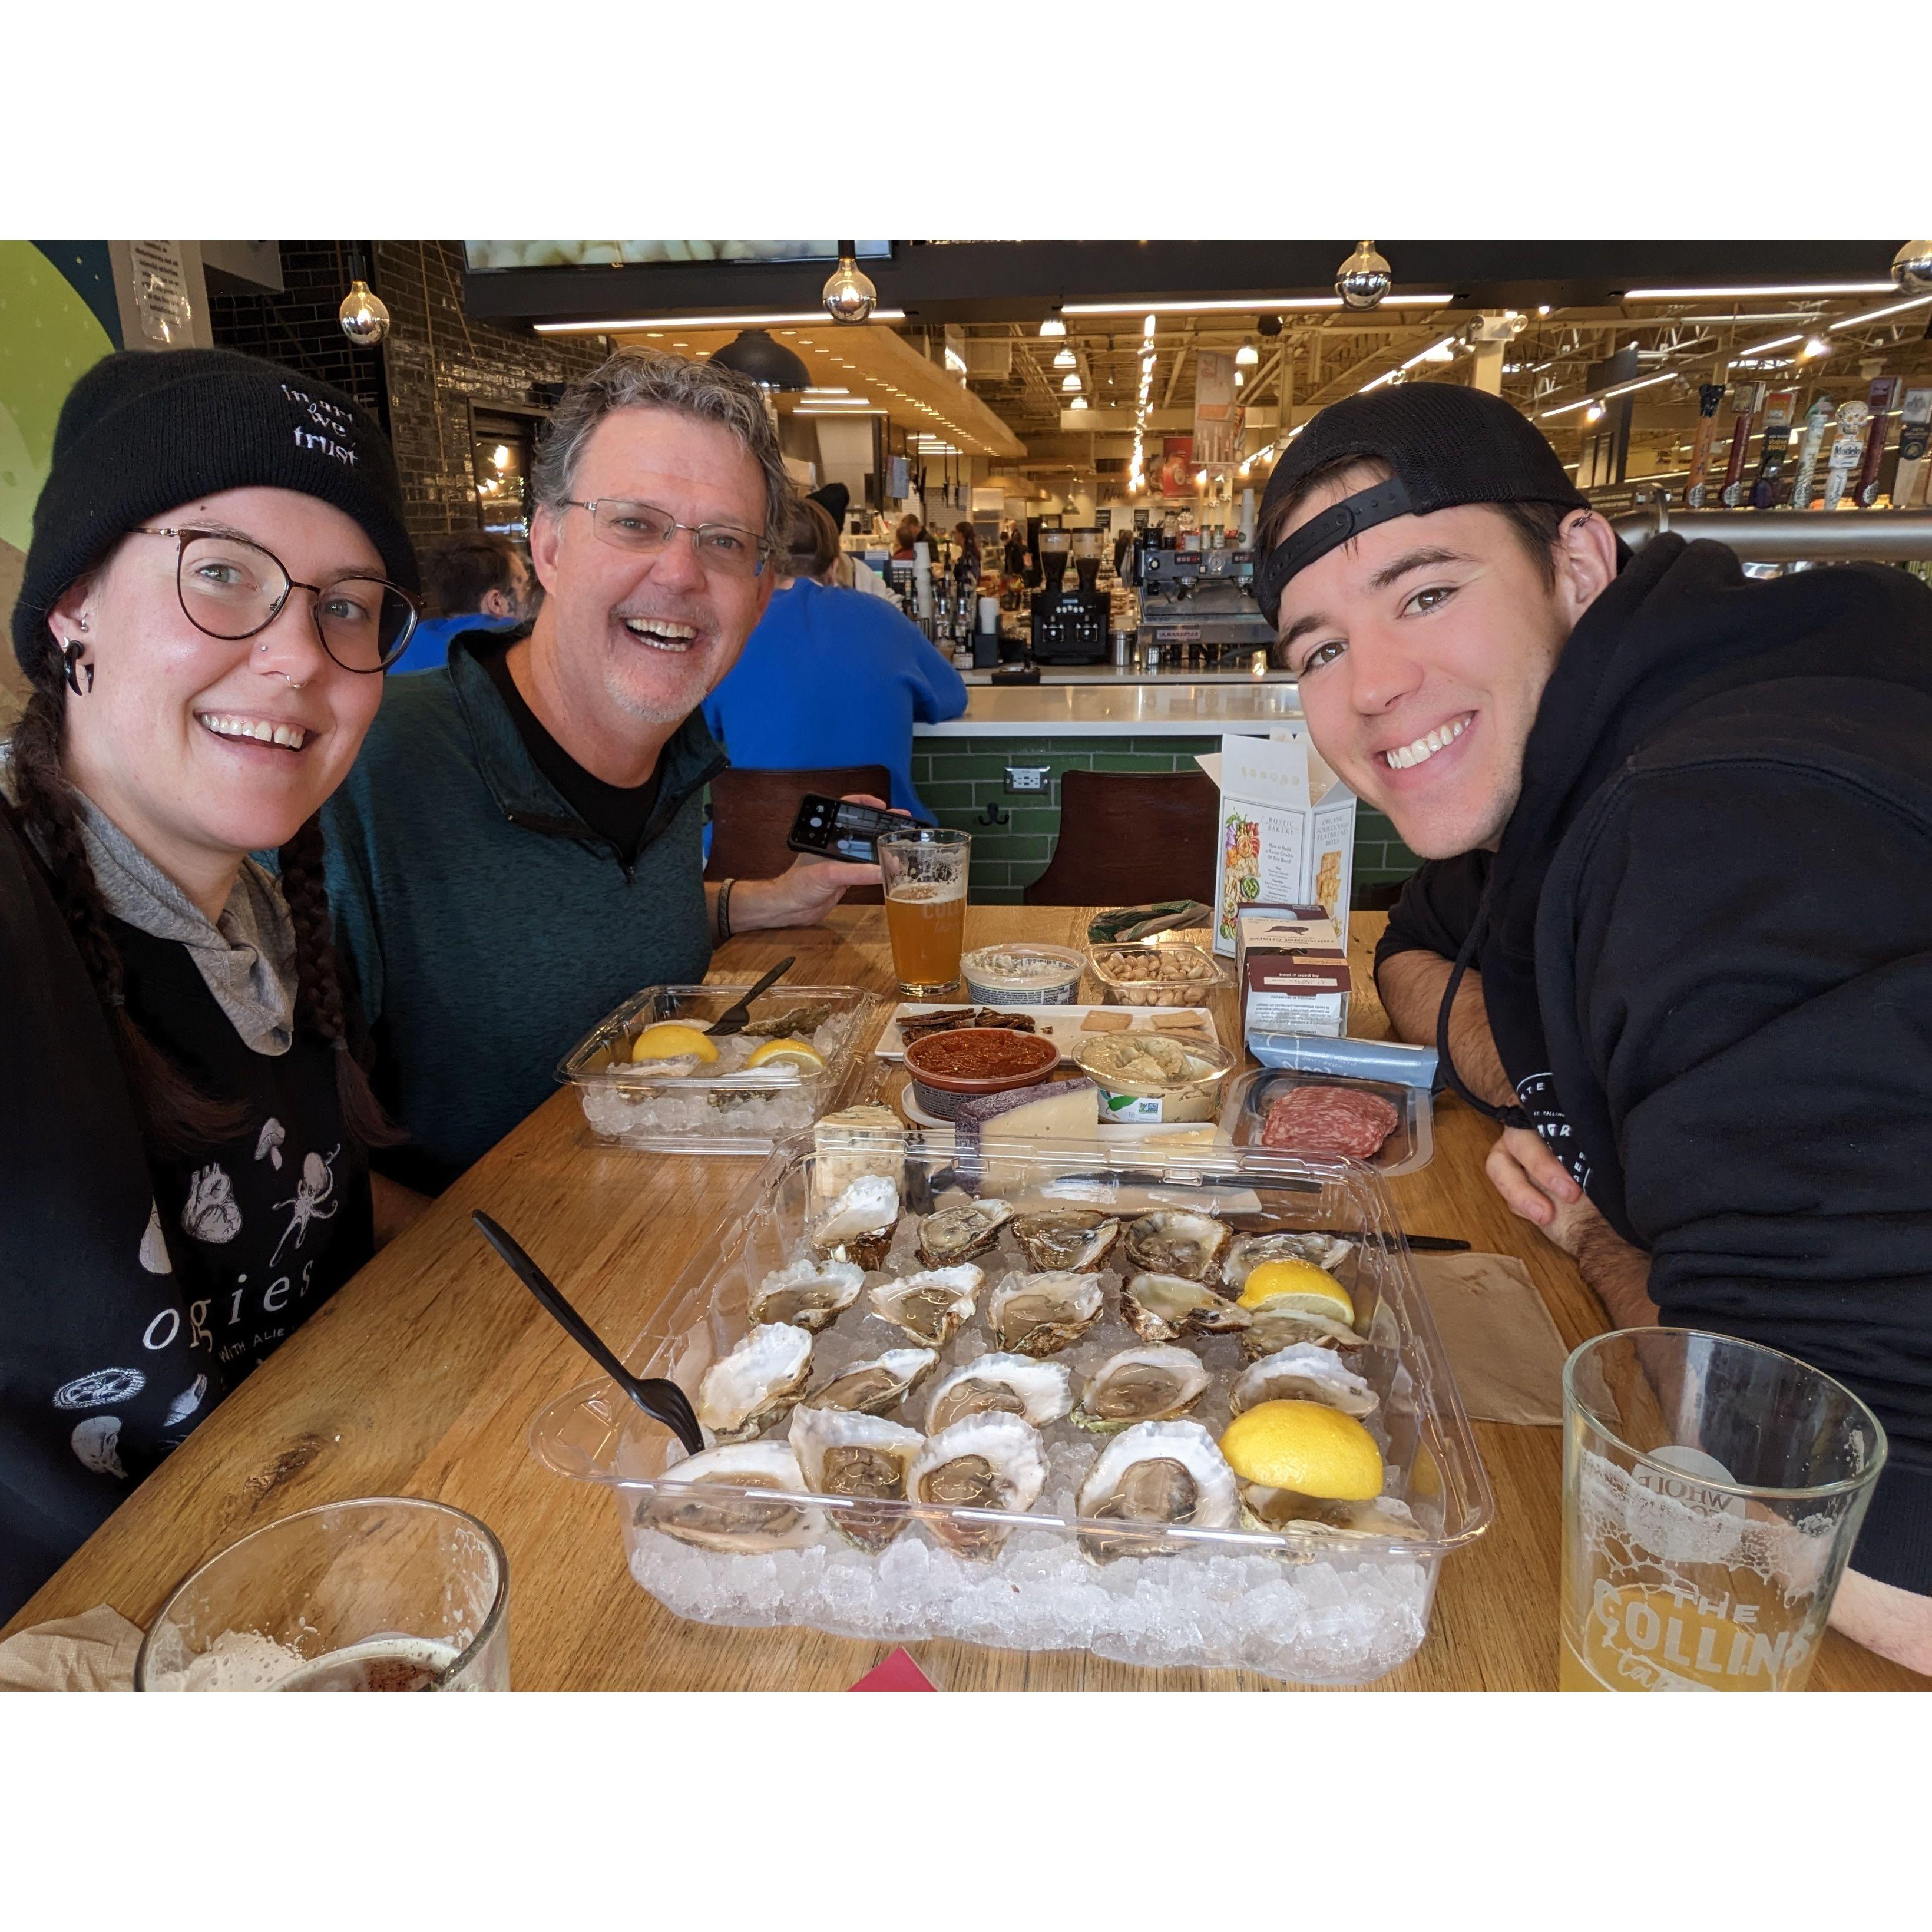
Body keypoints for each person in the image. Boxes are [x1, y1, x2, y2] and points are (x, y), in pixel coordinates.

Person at [1254, 382, 1932, 1673]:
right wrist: (1546, 1077)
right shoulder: (1598, 744)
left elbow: (1846, 1525)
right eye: (1319, 648)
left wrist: (1601, 1230)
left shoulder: (1717, 826)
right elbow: (1415, 942)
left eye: (1424, 590)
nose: (1376, 685)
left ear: (1575, 561)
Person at [0, 348, 419, 1618]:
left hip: (309, 1556)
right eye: (221, 574)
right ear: (72, 601)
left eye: (346, 605)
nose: (296, 656)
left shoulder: (256, 902)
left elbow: (320, 1212)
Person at [320, 349, 882, 1196]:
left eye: (723, 542)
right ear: (546, 546)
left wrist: (752, 903)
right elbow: (272, 1170)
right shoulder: (364, 774)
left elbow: (577, 917)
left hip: (667, 1232)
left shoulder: (679, 752)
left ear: (760, 595)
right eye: (633, 523)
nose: (681, 573)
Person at [703, 497, 968, 819]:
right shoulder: (882, 617)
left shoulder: (734, 626)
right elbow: (953, 697)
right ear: (833, 565)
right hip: (876, 853)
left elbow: (709, 723)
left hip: (753, 857)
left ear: (765, 564)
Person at [386, 531, 539, 674]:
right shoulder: (514, 648)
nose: (530, 597)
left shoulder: (405, 647)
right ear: (496, 602)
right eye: (525, 588)